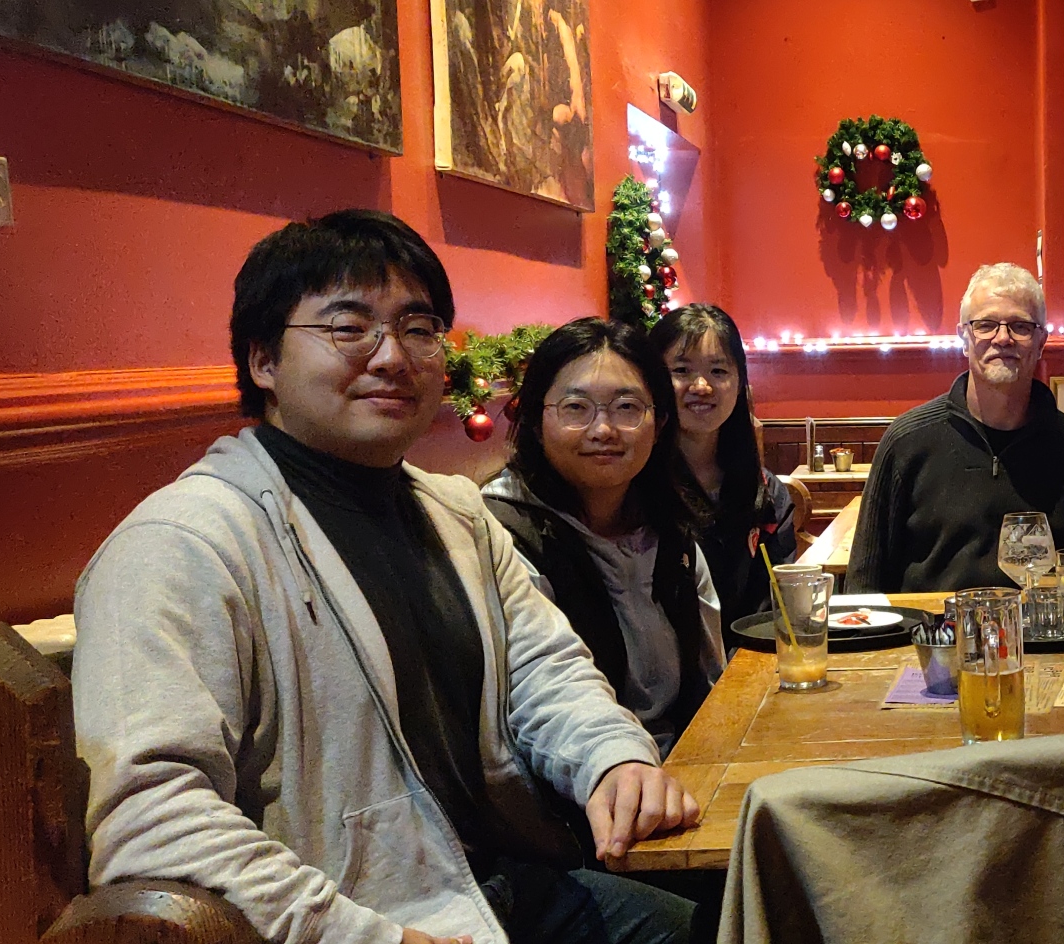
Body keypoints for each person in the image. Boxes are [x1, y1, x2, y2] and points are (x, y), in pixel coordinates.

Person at [71, 210, 702, 944]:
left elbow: (546, 671)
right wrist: (366, 936)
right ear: (263, 361)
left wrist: (612, 760)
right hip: (362, 911)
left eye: (418, 327)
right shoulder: (182, 545)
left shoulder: (457, 514)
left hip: (498, 882)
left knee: (724, 916)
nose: (393, 356)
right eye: (349, 328)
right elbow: (152, 817)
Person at [483, 317, 725, 757]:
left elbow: (711, 683)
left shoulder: (672, 535)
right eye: (576, 407)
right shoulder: (503, 536)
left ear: (659, 423)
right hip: (572, 779)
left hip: (684, 766)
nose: (603, 430)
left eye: (627, 407)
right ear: (536, 421)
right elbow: (531, 702)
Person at [847, 263, 1064, 593]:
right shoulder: (906, 442)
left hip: (1040, 626)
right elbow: (863, 584)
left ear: (1041, 342)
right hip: (931, 626)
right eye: (986, 325)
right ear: (964, 338)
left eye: (1020, 326)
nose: (1003, 338)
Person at [648, 304, 797, 630]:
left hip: (749, 657)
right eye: (681, 370)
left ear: (740, 383)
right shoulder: (633, 489)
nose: (701, 386)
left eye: (718, 371)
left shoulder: (767, 494)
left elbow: (775, 609)